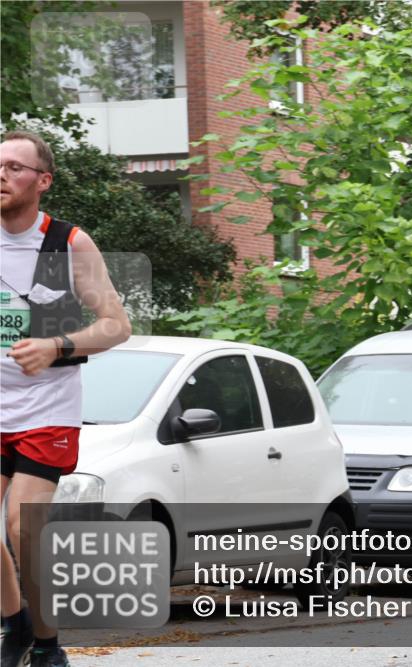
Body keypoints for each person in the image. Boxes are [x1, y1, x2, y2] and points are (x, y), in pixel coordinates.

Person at [1, 130, 131, 667]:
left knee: (19, 526)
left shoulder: (65, 244)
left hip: (45, 409)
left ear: (42, 181)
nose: (1, 175)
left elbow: (116, 326)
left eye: (14, 167)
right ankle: (16, 624)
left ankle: (50, 646)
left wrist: (57, 344)